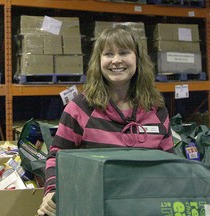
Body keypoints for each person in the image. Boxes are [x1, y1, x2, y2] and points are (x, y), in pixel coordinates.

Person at [37, 24, 174, 216]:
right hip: (93, 208)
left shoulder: (157, 110)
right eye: (108, 54)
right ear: (98, 61)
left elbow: (171, 166)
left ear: (138, 59)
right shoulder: (80, 109)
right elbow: (56, 158)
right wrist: (51, 192)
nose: (116, 60)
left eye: (124, 52)